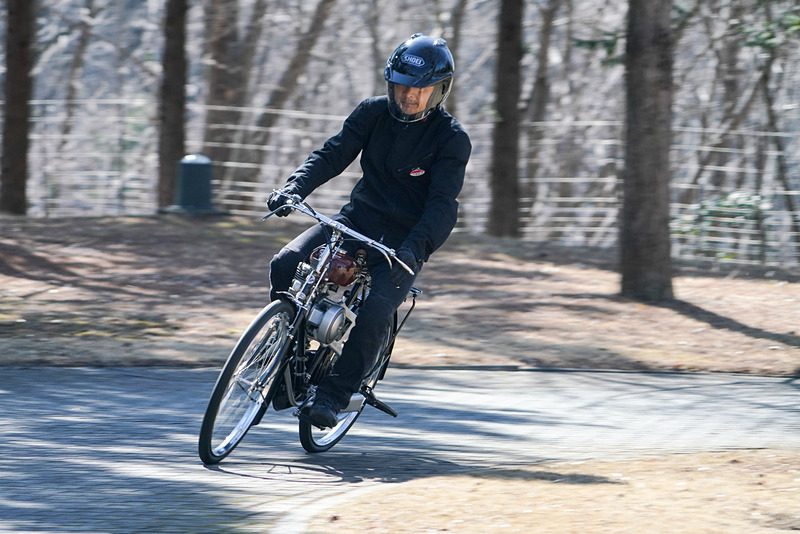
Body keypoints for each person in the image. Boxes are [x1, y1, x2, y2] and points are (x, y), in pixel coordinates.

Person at [267, 33, 471, 428]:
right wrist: (293, 188)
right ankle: (288, 359)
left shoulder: (451, 139)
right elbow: (332, 154)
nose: (408, 96)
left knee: (377, 310)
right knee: (285, 262)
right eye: (401, 86)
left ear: (440, 90)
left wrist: (415, 250)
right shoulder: (372, 113)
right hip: (356, 220)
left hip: (402, 245)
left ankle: (333, 394)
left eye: (421, 88)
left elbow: (443, 207)